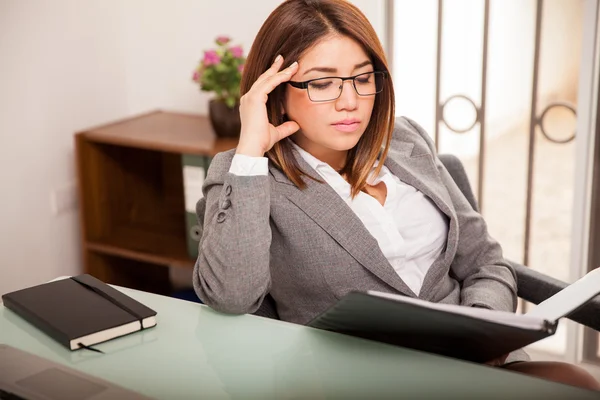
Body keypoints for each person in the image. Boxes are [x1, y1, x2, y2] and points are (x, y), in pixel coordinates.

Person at [193, 0, 600, 391]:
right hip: (360, 380)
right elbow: (230, 296)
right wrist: (249, 151)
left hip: (476, 363)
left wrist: (484, 329)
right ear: (275, 93)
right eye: (322, 83)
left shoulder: (406, 140)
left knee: (578, 382)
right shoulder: (246, 175)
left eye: (362, 77)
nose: (349, 101)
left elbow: (484, 261)